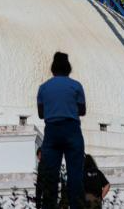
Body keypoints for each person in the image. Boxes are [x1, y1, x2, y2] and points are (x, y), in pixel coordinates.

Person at [37, 51, 86, 209]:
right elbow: (82, 110)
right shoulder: (76, 86)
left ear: (52, 69)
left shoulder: (44, 88)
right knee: (75, 175)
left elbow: (40, 113)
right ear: (68, 69)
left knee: (50, 176)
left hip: (51, 131)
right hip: (71, 129)